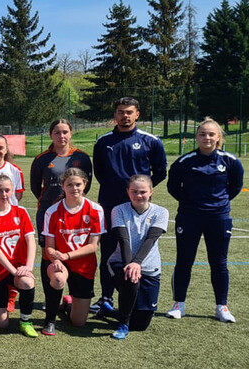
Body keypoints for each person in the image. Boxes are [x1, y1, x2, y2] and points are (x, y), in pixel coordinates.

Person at [92, 97, 167, 314]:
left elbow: (160, 172)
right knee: (108, 252)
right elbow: (100, 172)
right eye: (120, 111)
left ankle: (135, 295)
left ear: (137, 114)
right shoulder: (103, 142)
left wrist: (140, 193)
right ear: (114, 115)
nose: (125, 116)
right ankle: (106, 297)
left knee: (139, 249)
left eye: (129, 112)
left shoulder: (150, 141)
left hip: (139, 208)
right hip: (109, 204)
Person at [166, 118, 243, 322]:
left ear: (218, 137)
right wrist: (191, 204)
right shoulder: (185, 161)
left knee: (219, 263)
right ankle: (178, 304)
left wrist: (218, 204)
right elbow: (173, 187)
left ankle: (222, 306)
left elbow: (235, 187)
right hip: (189, 217)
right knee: (184, 261)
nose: (206, 137)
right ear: (196, 136)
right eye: (202, 134)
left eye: (211, 134)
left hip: (219, 218)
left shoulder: (230, 161)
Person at [41, 168, 105, 336]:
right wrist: (56, 259)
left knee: (78, 323)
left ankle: (68, 304)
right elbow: (49, 246)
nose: (74, 188)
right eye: (70, 185)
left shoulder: (96, 210)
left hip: (84, 265)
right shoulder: (52, 211)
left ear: (85, 185)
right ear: (63, 186)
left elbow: (93, 246)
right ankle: (50, 320)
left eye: (78, 184)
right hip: (59, 262)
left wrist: (68, 255)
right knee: (58, 278)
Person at [108, 175, 169, 339]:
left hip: (149, 267)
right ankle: (123, 324)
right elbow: (123, 239)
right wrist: (130, 265)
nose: (138, 195)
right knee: (131, 279)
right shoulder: (119, 210)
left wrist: (138, 263)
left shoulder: (161, 212)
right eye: (134, 191)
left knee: (141, 325)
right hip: (121, 262)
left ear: (151, 192)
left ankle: (113, 312)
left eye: (143, 191)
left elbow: (151, 239)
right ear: (128, 192)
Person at [0, 175, 38, 337]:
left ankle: (25, 321)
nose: (4, 194)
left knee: (27, 281)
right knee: (2, 324)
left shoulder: (20, 212)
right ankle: (3, 299)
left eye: (7, 190)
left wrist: (28, 267)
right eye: (0, 190)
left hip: (18, 268)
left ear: (12, 191)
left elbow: (30, 241)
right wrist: (14, 271)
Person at [30, 119, 93, 247]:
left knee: (73, 246)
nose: (61, 136)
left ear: (71, 133)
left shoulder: (82, 157)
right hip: (47, 209)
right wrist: (50, 200)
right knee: (48, 251)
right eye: (57, 133)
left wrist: (72, 199)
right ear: (51, 135)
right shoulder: (41, 159)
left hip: (74, 209)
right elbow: (35, 187)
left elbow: (87, 184)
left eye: (65, 132)